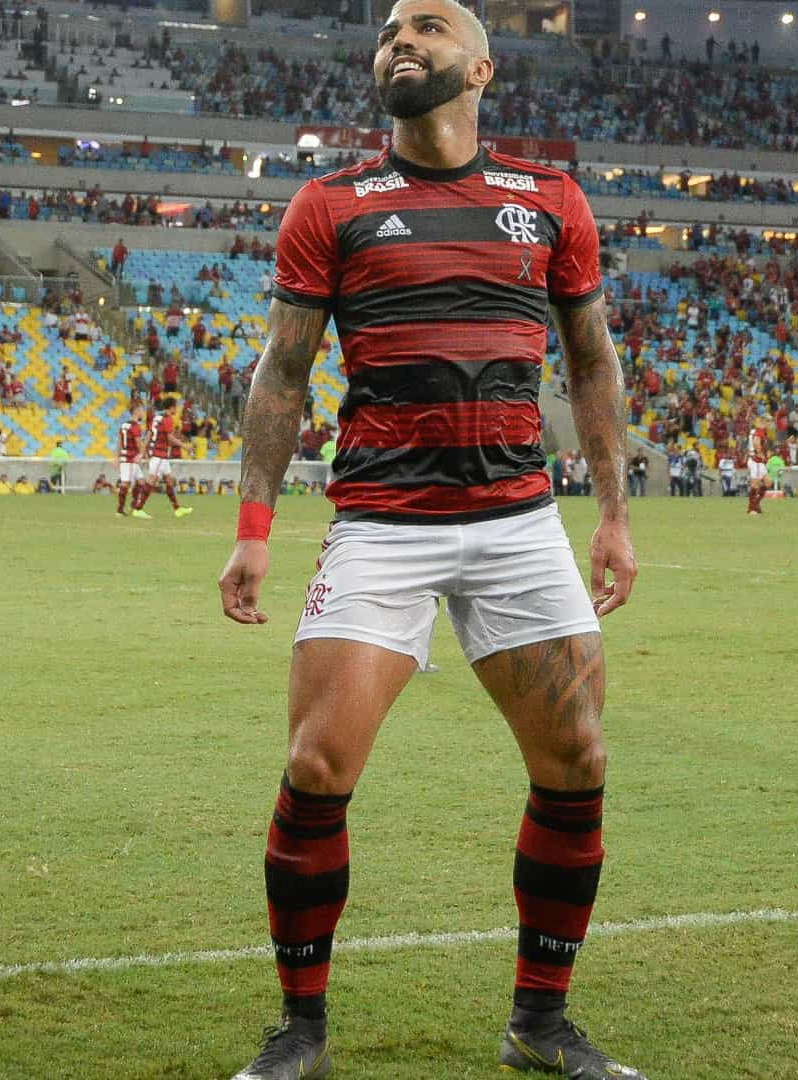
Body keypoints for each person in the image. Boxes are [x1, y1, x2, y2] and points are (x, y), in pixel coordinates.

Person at [214, 2, 643, 1076]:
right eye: (391, 30)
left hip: (519, 524)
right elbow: (284, 370)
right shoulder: (332, 203)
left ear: (481, 66)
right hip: (383, 523)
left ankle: (540, 1025)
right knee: (317, 764)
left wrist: (615, 516)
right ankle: (300, 1030)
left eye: (430, 26)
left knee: (578, 758)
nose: (403, 40)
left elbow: (590, 361)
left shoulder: (547, 200)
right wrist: (254, 528)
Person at [131, 399, 193, 520]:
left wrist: (143, 452)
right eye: (175, 407)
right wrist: (184, 445)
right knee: (151, 481)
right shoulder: (168, 419)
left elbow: (149, 434)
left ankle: (177, 509)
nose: (176, 409)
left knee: (169, 481)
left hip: (160, 456)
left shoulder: (157, 418)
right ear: (171, 407)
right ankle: (138, 508)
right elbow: (169, 438)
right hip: (159, 455)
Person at [114, 412, 145, 515]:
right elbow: (138, 442)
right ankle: (120, 509)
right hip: (131, 459)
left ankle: (134, 506)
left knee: (141, 482)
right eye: (141, 409)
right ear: (136, 411)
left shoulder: (123, 425)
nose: (143, 412)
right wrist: (142, 454)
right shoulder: (135, 426)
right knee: (126, 483)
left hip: (126, 458)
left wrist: (117, 457)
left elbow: (119, 442)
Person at [744, 422, 767, 514]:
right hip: (755, 460)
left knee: (768, 483)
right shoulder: (757, 432)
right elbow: (756, 443)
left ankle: (756, 503)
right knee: (755, 485)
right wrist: (759, 453)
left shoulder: (759, 432)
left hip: (759, 461)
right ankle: (751, 508)